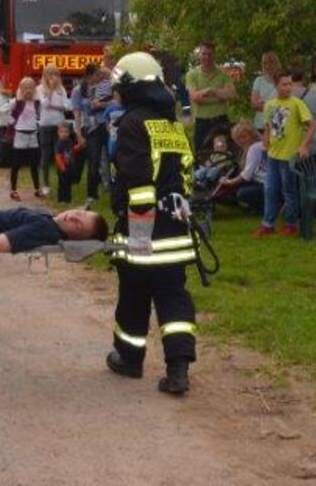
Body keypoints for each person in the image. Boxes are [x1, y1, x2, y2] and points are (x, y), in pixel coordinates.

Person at [106, 52, 198, 396]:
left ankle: (129, 360)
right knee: (174, 300)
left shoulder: (132, 123)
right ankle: (179, 370)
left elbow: (137, 181)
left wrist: (138, 236)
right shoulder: (172, 124)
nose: (117, 93)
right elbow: (186, 174)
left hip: (144, 229)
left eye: (120, 87)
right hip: (176, 230)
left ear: (132, 88)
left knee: (133, 296)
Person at [252, 72, 316, 237]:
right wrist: (265, 144)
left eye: (290, 84)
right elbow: (268, 127)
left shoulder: (297, 104)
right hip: (273, 155)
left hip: (289, 155)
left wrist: (303, 146)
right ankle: (268, 224)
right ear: (276, 86)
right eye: (284, 84)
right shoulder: (269, 105)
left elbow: (311, 125)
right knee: (270, 189)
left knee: (289, 190)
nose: (288, 87)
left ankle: (291, 223)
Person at [186, 41, 237, 154]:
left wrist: (212, 91)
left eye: (210, 54)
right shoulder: (192, 74)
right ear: (199, 55)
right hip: (202, 122)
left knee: (222, 154)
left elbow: (232, 94)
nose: (207, 57)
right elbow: (195, 97)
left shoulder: (223, 74)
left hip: (220, 121)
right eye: (204, 54)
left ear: (214, 55)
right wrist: (219, 96)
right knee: (201, 155)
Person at [219, 120, 267, 215]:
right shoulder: (250, 148)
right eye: (239, 138)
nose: (242, 140)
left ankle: (261, 209)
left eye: (244, 137)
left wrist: (229, 182)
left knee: (241, 193)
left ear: (252, 135)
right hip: (260, 181)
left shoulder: (254, 148)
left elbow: (246, 175)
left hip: (263, 183)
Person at [8, 77, 44, 201]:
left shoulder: (37, 103)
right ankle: (13, 190)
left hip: (32, 135)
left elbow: (44, 110)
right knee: (16, 164)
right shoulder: (17, 103)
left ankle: (37, 189)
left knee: (34, 163)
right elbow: (4, 110)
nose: (28, 90)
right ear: (21, 89)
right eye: (25, 88)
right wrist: (11, 118)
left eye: (31, 87)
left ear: (34, 89)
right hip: (20, 135)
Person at [36, 64, 68, 196]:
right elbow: (44, 104)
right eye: (50, 74)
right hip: (45, 125)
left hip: (59, 125)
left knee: (60, 155)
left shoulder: (61, 89)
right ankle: (45, 184)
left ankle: (62, 183)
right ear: (45, 75)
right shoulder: (40, 89)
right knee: (45, 155)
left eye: (56, 74)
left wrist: (53, 105)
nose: (53, 77)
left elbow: (66, 106)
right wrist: (49, 92)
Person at [85, 66, 113, 204]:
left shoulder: (110, 85)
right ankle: (91, 194)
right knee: (94, 161)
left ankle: (113, 190)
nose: (96, 78)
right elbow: (90, 106)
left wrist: (101, 104)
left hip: (108, 126)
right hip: (94, 127)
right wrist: (96, 105)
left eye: (97, 75)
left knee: (112, 158)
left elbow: (114, 102)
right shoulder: (91, 88)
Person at [70, 64, 98, 184]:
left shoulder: (99, 89)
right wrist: (78, 134)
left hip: (97, 127)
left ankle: (96, 181)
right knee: (79, 157)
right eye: (97, 75)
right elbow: (76, 114)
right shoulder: (78, 91)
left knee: (94, 156)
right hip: (84, 127)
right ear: (90, 75)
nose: (99, 77)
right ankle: (75, 179)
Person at [251, 51, 280, 133]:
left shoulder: (282, 81)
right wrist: (273, 106)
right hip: (260, 125)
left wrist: (264, 104)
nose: (268, 66)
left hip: (277, 126)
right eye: (265, 63)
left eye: (271, 63)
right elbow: (254, 104)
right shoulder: (258, 81)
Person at [54, 122, 83, 203]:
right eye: (62, 132)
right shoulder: (59, 144)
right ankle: (61, 198)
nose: (64, 134)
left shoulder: (69, 141)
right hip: (62, 168)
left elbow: (72, 150)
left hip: (70, 166)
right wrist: (62, 167)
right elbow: (58, 157)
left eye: (66, 132)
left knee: (68, 184)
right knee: (62, 183)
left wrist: (78, 147)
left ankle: (68, 199)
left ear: (69, 133)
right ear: (58, 133)